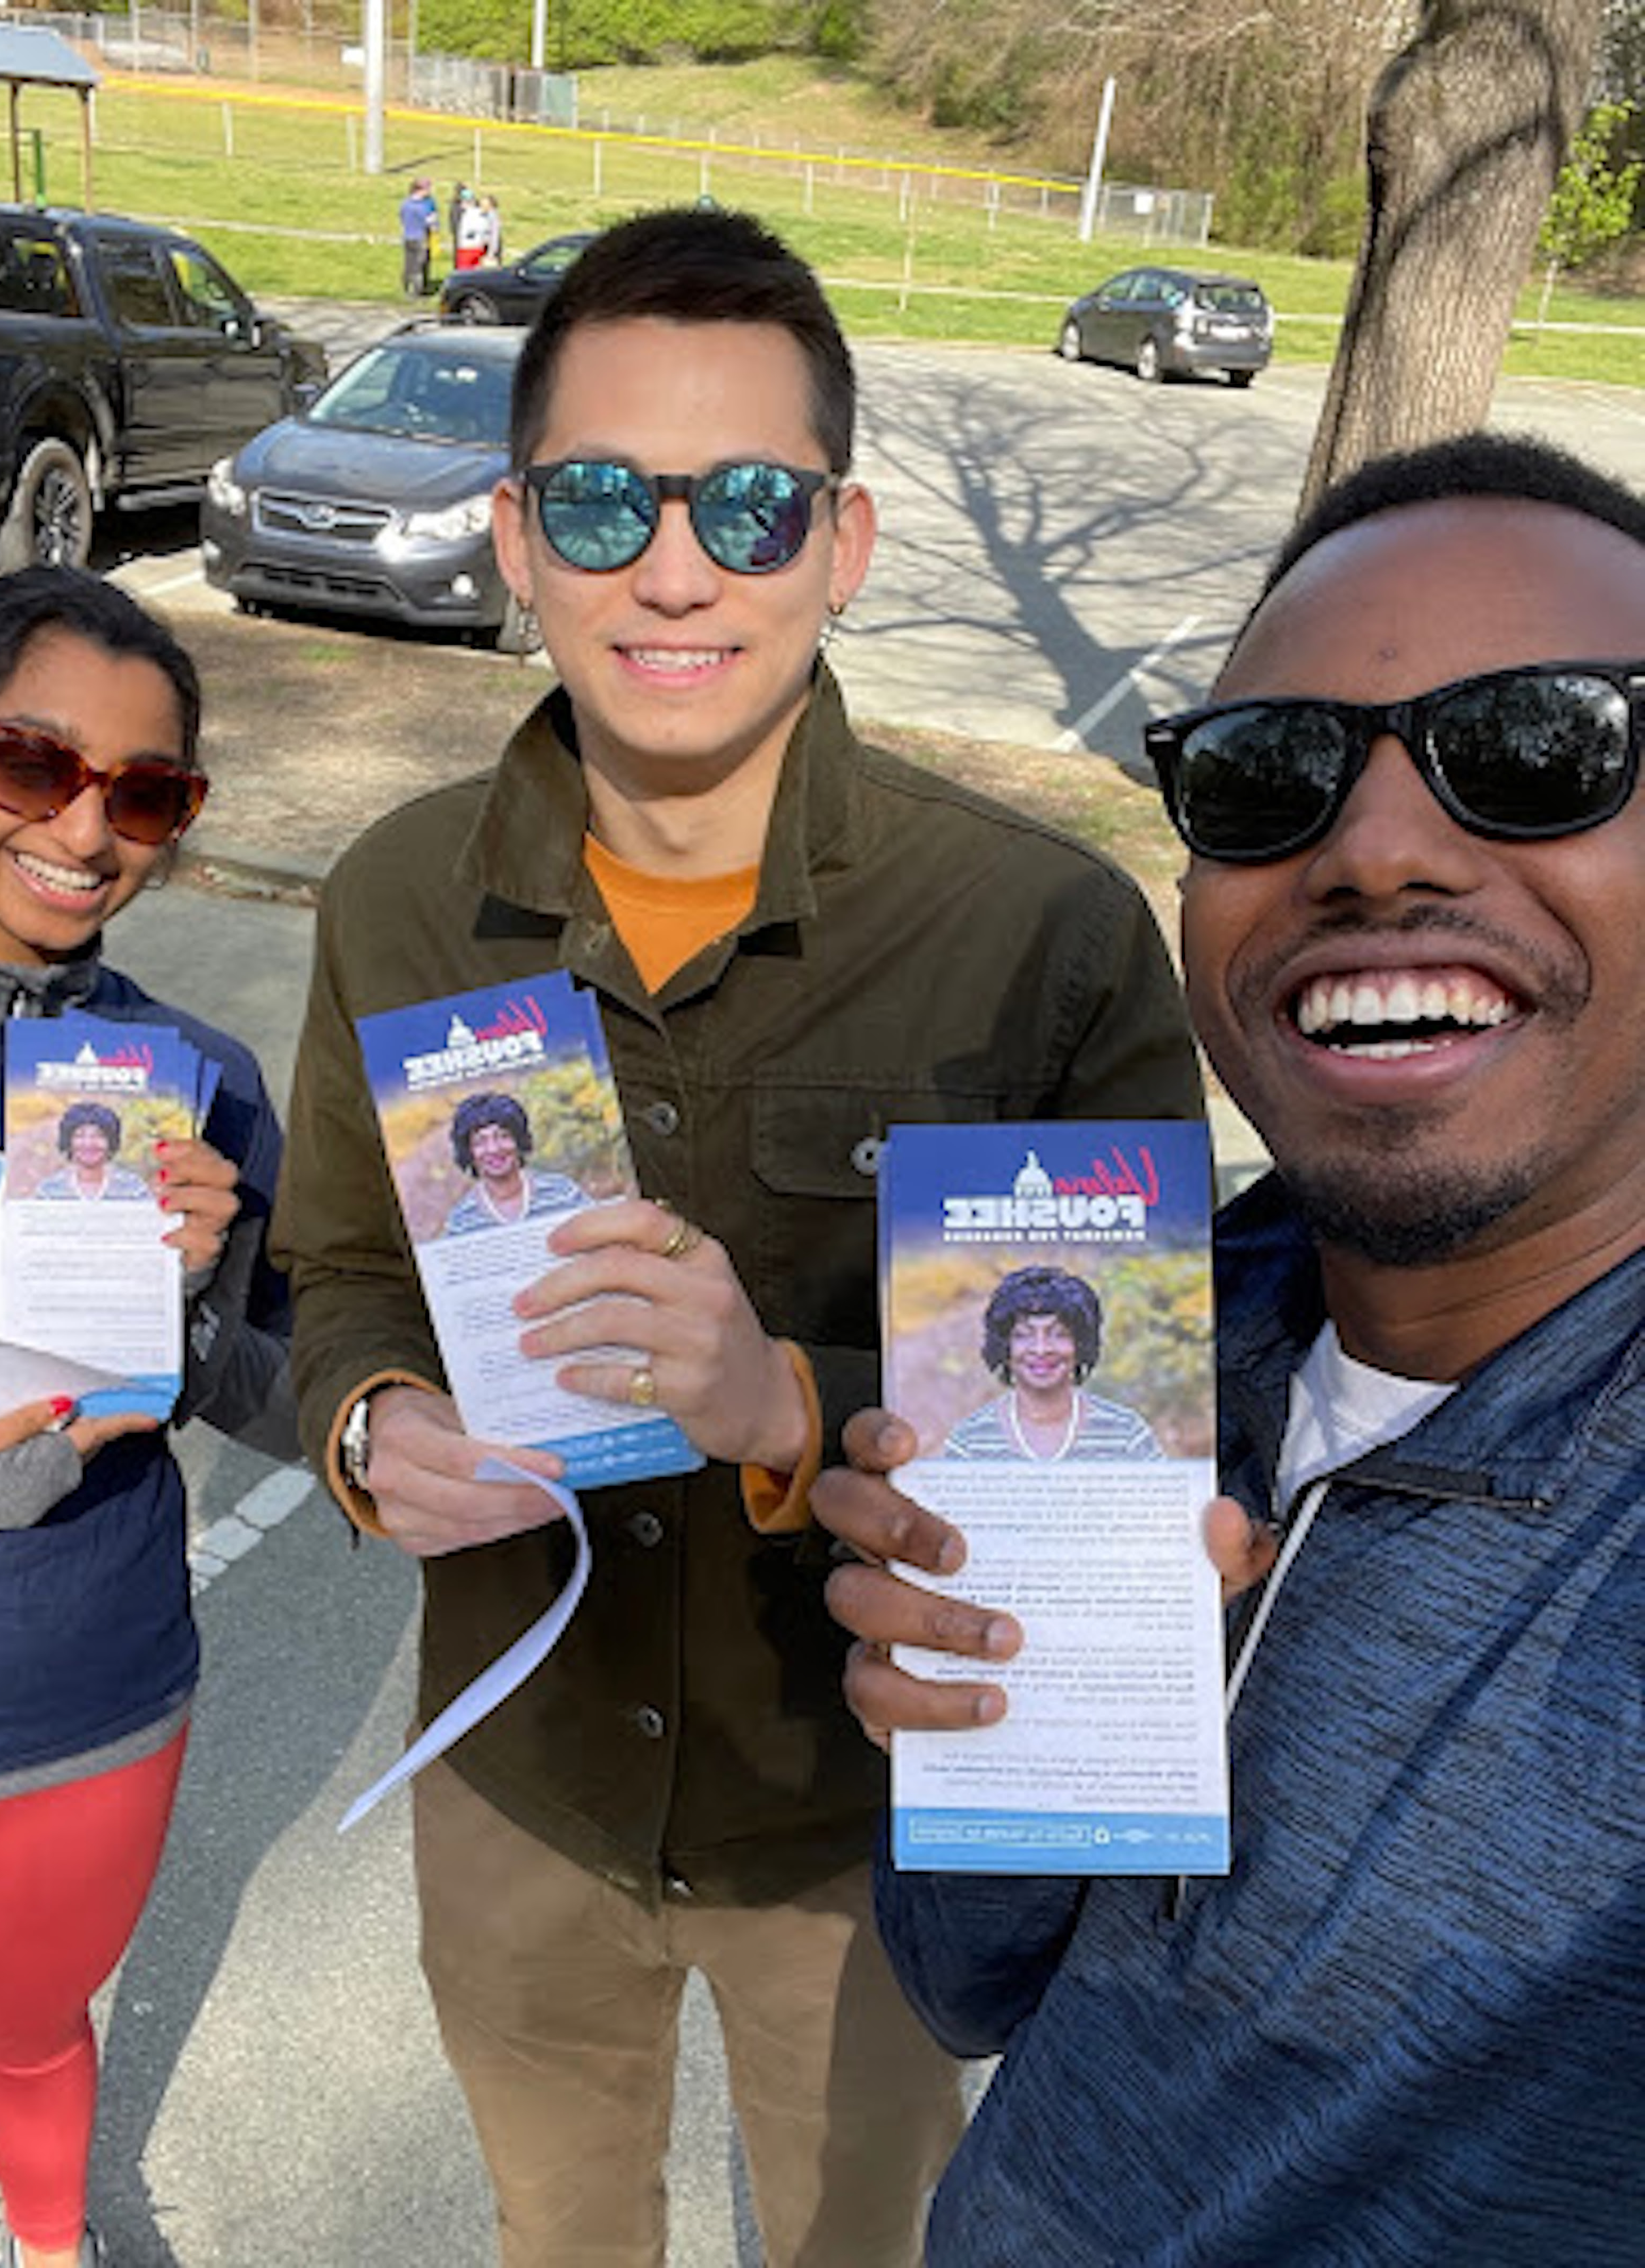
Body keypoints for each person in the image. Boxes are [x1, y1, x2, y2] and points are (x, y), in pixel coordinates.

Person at [272, 205, 1200, 2268]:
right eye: (601, 499)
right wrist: (366, 1423)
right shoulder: (394, 899)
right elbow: (333, 1268)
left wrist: (784, 1401)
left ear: (841, 545)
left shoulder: (1038, 938)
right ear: (515, 537)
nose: (671, 566)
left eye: (747, 504)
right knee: (562, 2236)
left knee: (862, 2244)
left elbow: (1134, 1452)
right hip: (518, 1791)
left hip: (860, 1848)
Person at [815, 431, 1645, 2264]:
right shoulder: (1187, 1330)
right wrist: (997, 1732)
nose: (1378, 848)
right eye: (1275, 780)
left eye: (1540, 749)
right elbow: (970, 1987)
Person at [0, 567, 296, 2268]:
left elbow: (288, 1400)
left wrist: (209, 1294)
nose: (86, 829)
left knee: (24, 2028)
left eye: (144, 791)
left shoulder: (198, 1082)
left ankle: (49, 2242)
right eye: (30, 761)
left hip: (70, 1694)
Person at [942, 1262, 1160, 1459]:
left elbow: (1164, 1503)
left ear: (1081, 1344)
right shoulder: (969, 1443)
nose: (1041, 1349)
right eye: (1024, 1335)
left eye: (1059, 1334)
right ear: (1004, 1346)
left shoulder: (1128, 1436)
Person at [443, 1090, 584, 1234]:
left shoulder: (563, 1193)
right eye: (480, 1142)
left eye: (503, 1136)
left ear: (519, 1140)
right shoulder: (461, 1222)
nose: (494, 1149)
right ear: (469, 1152)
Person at [33, 1102, 149, 1202]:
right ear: (68, 1142)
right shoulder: (50, 1191)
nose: (89, 1144)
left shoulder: (134, 1189)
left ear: (111, 1141)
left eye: (98, 1136)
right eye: (80, 1136)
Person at [399, 176, 436, 297]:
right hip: (421, 237)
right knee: (420, 264)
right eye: (428, 188)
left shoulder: (405, 204)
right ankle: (418, 291)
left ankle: (406, 286)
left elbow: (402, 218)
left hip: (408, 236)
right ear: (421, 190)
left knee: (409, 263)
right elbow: (431, 223)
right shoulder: (424, 206)